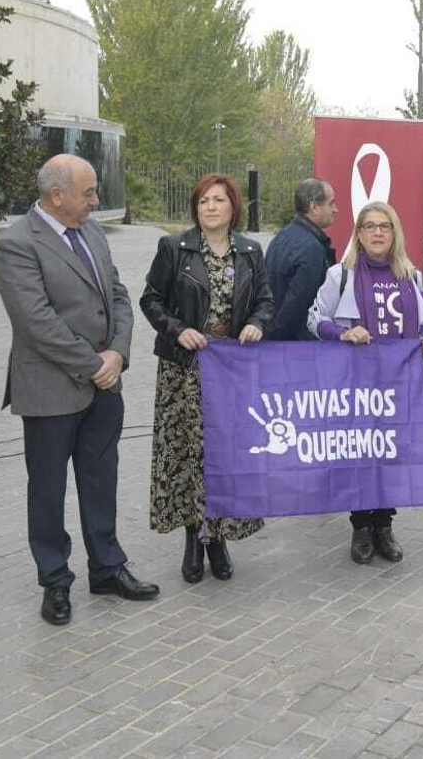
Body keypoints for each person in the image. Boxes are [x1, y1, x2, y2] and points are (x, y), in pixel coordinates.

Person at [0, 154, 158, 627]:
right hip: (50, 390)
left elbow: (119, 296)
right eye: (88, 192)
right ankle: (55, 580)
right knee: (47, 489)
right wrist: (93, 365)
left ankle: (107, 568)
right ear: (56, 194)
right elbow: (36, 321)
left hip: (104, 385)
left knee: (101, 479)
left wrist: (118, 354)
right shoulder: (17, 244)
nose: (96, 200)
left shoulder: (92, 232)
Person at [141, 173, 273, 583]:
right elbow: (150, 299)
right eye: (203, 201)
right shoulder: (174, 248)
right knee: (187, 456)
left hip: (231, 371)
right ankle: (193, 539)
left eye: (218, 200)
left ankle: (219, 538)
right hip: (185, 370)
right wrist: (177, 329)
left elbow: (266, 300)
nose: (210, 207)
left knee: (227, 455)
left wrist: (256, 324)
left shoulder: (250, 251)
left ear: (233, 207)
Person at [307, 201, 423, 565]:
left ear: (395, 233)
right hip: (355, 384)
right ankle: (361, 526)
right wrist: (343, 333)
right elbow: (313, 320)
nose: (378, 233)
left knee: (390, 452)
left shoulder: (411, 275)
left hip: (397, 385)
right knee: (360, 453)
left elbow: (421, 322)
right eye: (370, 226)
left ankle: (385, 525)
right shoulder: (341, 275)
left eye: (385, 226)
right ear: (359, 234)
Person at [264, 178, 337, 341]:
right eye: (331, 203)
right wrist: (274, 341)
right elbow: (296, 306)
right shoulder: (312, 249)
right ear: (314, 206)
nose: (336, 209)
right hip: (298, 347)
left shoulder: (280, 237)